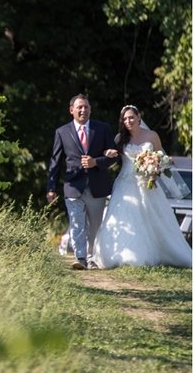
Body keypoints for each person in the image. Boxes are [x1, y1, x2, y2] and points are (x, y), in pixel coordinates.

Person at [91, 105, 193, 269]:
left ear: (139, 117)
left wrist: (156, 167)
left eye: (131, 117)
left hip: (148, 184)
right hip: (125, 183)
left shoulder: (152, 136)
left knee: (155, 219)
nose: (128, 121)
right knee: (123, 218)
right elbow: (111, 158)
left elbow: (162, 157)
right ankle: (124, 254)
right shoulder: (120, 138)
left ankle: (164, 253)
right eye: (124, 119)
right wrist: (105, 154)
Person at [47, 94, 118, 269]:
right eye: (79, 107)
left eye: (86, 107)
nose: (83, 110)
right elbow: (55, 162)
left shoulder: (102, 129)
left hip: (97, 186)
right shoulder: (62, 132)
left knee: (94, 226)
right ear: (71, 110)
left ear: (90, 109)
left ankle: (92, 258)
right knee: (76, 223)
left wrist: (96, 162)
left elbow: (113, 156)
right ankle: (80, 258)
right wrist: (51, 187)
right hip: (72, 186)